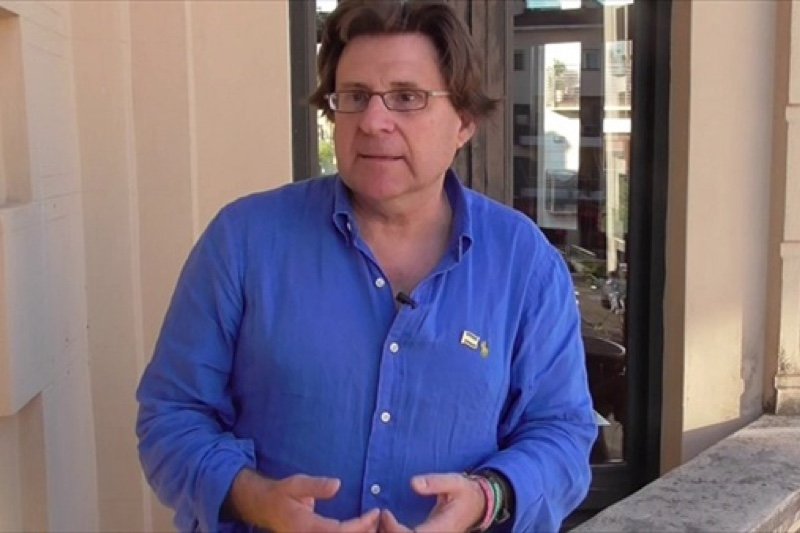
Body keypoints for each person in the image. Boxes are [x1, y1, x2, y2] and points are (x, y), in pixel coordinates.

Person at [136, 1, 597, 532]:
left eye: (406, 97)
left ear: (464, 121)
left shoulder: (523, 262)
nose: (374, 122)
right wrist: (255, 500)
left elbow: (562, 433)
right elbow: (172, 417)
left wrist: (485, 497)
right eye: (354, 97)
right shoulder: (244, 241)